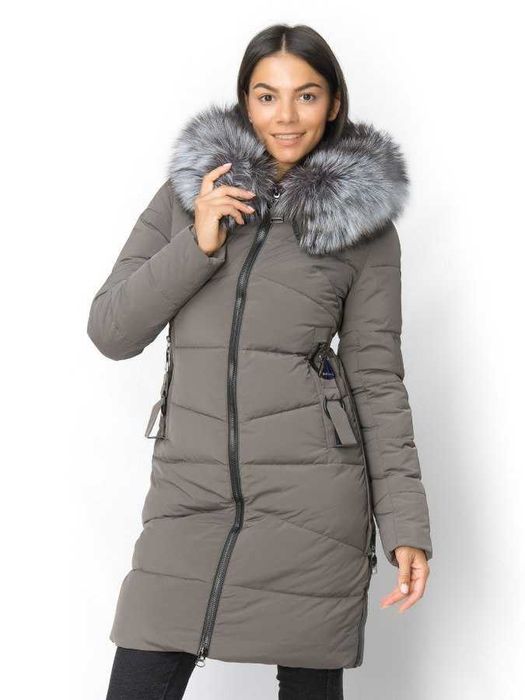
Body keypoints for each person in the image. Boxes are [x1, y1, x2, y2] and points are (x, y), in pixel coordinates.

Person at [88, 22, 433, 700]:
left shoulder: (363, 228)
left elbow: (376, 381)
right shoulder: (186, 196)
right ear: (245, 101)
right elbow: (112, 330)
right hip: (188, 499)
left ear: (333, 103)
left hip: (313, 510)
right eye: (267, 95)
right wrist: (197, 242)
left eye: (306, 95)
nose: (286, 116)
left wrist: (405, 527)